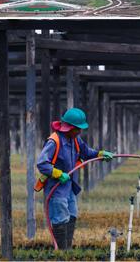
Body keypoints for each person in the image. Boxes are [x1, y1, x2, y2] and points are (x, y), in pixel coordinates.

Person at [36, 107, 114, 250]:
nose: (80, 131)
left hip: (69, 186)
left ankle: (68, 249)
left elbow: (86, 152)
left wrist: (101, 154)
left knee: (72, 214)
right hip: (56, 188)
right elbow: (42, 163)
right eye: (78, 128)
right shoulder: (54, 142)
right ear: (69, 127)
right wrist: (58, 174)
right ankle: (62, 252)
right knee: (60, 218)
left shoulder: (75, 139)